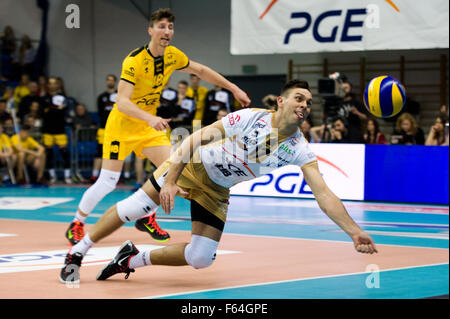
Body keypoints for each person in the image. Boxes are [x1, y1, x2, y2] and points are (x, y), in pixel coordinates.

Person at [59, 80, 376, 284]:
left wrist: (354, 231)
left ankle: (131, 258)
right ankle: (79, 251)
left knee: (200, 258)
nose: (305, 105)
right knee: (135, 207)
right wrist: (169, 182)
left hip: (217, 189)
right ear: (280, 101)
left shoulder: (299, 149)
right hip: (192, 166)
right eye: (299, 98)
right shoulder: (251, 117)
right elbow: (194, 139)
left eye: (308, 103)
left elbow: (323, 193)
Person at [63, 8, 250, 249]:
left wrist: (233, 88)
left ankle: (146, 216)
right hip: (122, 126)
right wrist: (149, 118)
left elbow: (201, 71)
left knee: (172, 171)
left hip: (149, 127)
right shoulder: (134, 60)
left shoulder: (172, 55)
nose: (167, 31)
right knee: (108, 181)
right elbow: (122, 101)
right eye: (161, 26)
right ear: (150, 30)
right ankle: (77, 223)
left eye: (170, 27)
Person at [41, 76, 72, 184]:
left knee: (64, 153)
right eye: (50, 83)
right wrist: (56, 109)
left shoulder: (63, 97)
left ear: (57, 85)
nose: (52, 85)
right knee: (49, 154)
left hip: (60, 129)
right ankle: (52, 176)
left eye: (54, 83)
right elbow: (43, 112)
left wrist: (50, 109)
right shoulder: (44, 98)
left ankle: (67, 176)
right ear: (48, 85)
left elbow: (62, 112)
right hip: (47, 130)